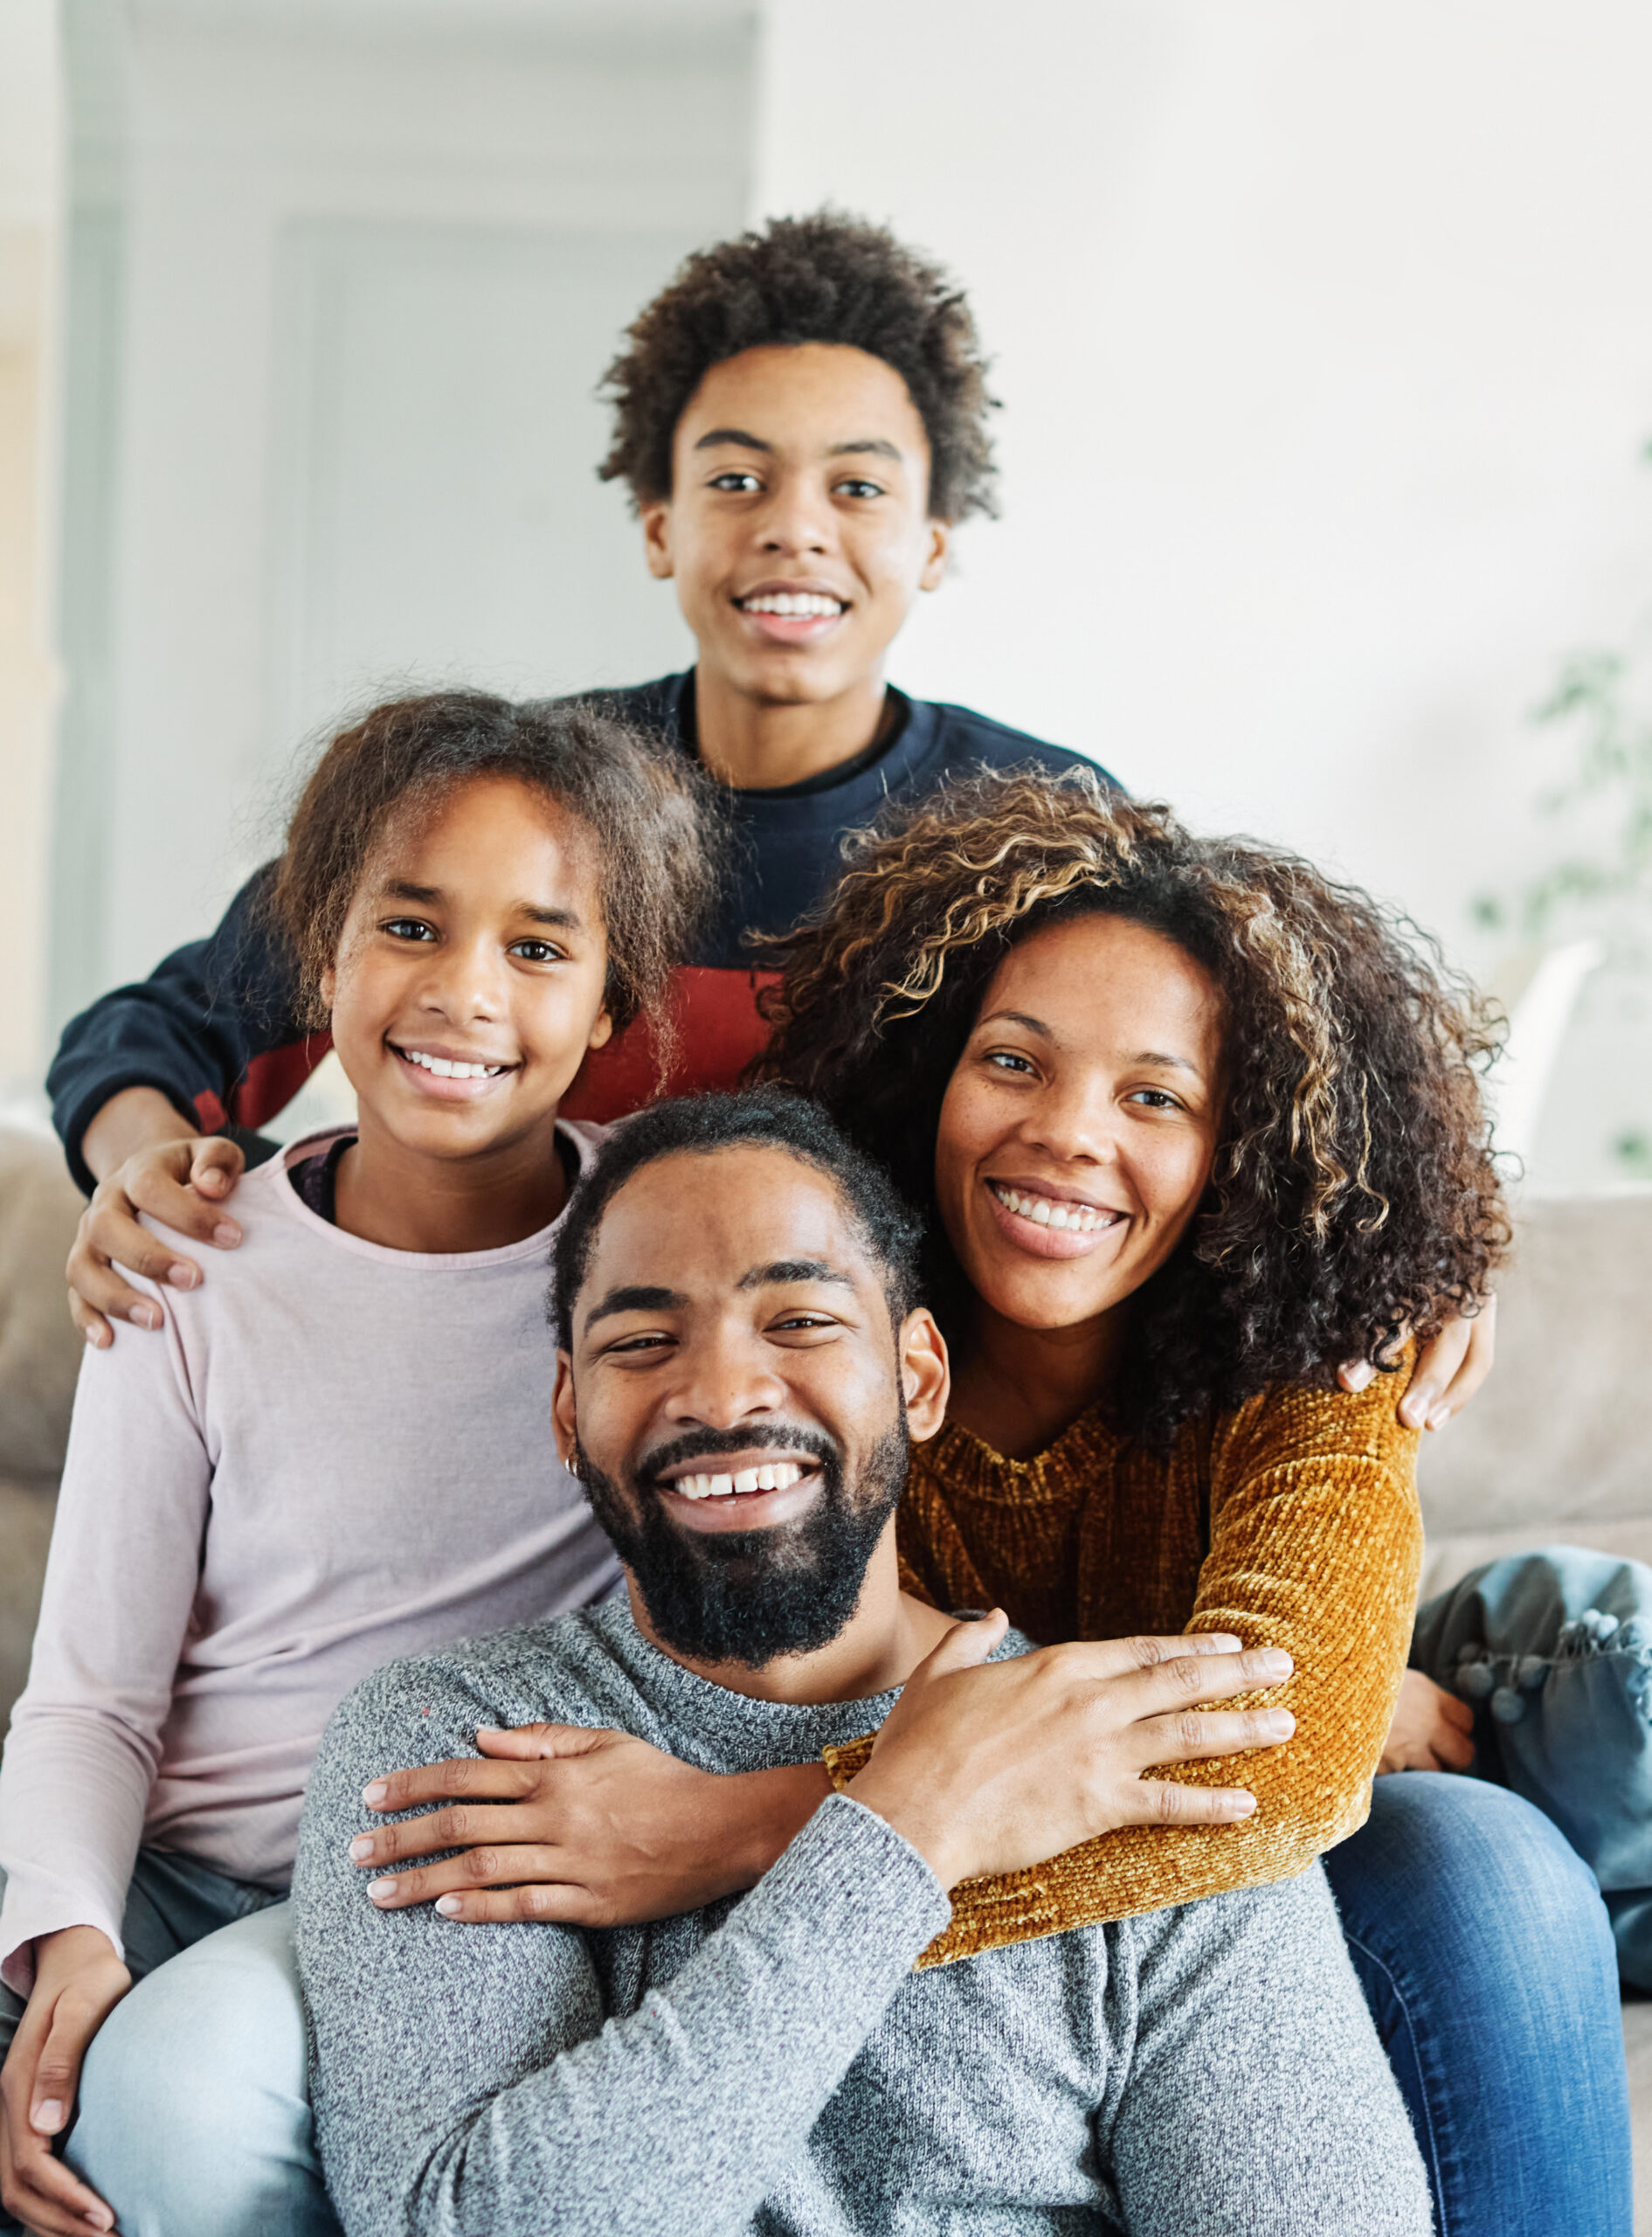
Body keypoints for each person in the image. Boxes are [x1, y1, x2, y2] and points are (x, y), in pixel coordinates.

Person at [353, 775, 1627, 2234]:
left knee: (1488, 1868)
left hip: (1222, 1836)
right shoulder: (833, 1367)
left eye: (1156, 1096)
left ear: (1243, 1150)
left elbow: (1277, 1766)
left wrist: (750, 1828)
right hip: (1061, 1805)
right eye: (1014, 1064)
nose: (1069, 1134)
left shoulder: (1311, 1368)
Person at [45, 211, 1490, 1437]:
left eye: (857, 486)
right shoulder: (520, 814)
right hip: (575, 1433)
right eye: (735, 478)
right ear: (662, 521)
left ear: (929, 543)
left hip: (900, 1471)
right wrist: (142, 1168)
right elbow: (154, 1035)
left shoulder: (1045, 834)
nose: (793, 528)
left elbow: (1239, 1113)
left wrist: (1432, 1265)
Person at [292, 1091, 1433, 2237]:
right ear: (566, 1412)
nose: (724, 1396)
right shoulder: (455, 1741)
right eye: (641, 1342)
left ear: (919, 1380)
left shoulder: (1119, 1758)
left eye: (799, 1322)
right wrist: (903, 1828)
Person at [0, 691, 719, 2237]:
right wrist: (64, 1936)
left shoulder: (659, 1254)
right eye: (409, 925)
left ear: (608, 1011)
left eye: (537, 948)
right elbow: (90, 1697)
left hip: (417, 1895)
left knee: (172, 2116)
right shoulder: (188, 1257)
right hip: (169, 1863)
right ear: (320, 958)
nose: (463, 993)